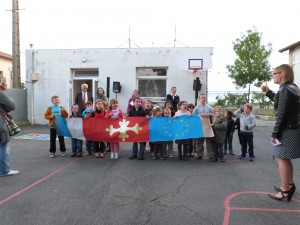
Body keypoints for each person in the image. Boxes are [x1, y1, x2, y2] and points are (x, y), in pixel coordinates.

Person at [262, 64, 300, 202]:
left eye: (274, 73)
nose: (273, 76)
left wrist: (275, 133)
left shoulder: (285, 89)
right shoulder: (292, 88)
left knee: (282, 158)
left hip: (286, 130)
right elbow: (282, 104)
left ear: (282, 74)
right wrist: (268, 92)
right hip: (293, 128)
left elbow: (282, 114)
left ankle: (284, 191)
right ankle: (289, 185)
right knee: (286, 158)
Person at [0, 77, 19, 176]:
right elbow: (12, 106)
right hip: (1, 124)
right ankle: (5, 170)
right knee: (4, 146)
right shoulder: (1, 94)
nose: (7, 85)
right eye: (5, 82)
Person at [192, 94, 214, 159]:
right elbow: (193, 115)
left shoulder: (209, 107)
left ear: (206, 99)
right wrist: (199, 115)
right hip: (200, 125)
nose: (203, 99)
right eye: (201, 98)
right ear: (199, 99)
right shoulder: (197, 107)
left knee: (209, 141)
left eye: (204, 98)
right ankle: (199, 154)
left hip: (207, 125)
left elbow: (213, 114)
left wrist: (209, 114)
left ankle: (210, 154)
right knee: (200, 141)